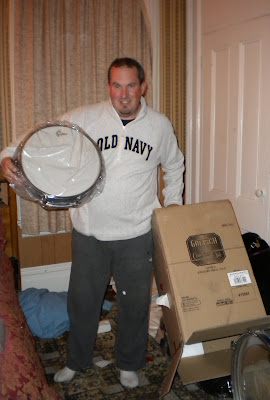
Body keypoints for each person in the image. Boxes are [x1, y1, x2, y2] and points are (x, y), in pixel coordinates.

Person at [0, 57, 185, 388]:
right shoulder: (85, 117)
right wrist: (7, 154)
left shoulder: (159, 126)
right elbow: (40, 137)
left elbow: (174, 165)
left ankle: (128, 363)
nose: (124, 94)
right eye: (117, 85)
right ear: (108, 87)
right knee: (82, 302)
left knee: (134, 304)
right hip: (89, 232)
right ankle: (76, 360)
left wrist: (172, 205)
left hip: (137, 233)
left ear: (143, 86)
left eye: (131, 85)